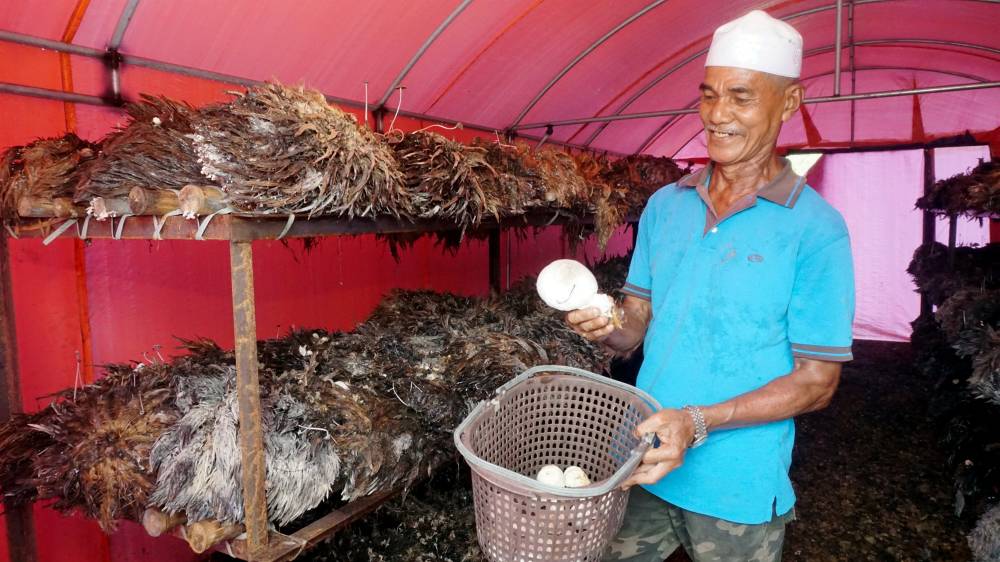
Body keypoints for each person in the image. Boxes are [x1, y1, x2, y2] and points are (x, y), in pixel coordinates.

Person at [567, 10, 856, 562]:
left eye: (742, 97)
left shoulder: (815, 229)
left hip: (737, 485)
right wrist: (602, 326)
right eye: (708, 95)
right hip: (642, 457)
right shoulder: (665, 206)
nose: (717, 115)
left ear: (789, 103)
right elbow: (633, 332)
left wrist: (697, 422)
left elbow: (817, 382)